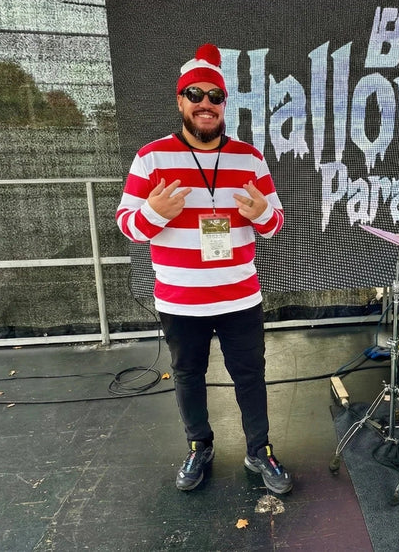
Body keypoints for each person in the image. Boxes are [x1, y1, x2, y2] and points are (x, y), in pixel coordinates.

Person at [115, 43, 291, 494]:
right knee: (189, 376)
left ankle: (260, 451)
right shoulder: (151, 158)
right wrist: (154, 212)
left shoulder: (249, 158)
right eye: (195, 95)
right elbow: (128, 226)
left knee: (250, 375)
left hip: (239, 296)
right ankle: (199, 446)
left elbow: (275, 224)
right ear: (180, 101)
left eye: (215, 96)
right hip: (180, 298)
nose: (206, 104)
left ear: (224, 103)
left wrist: (260, 215)